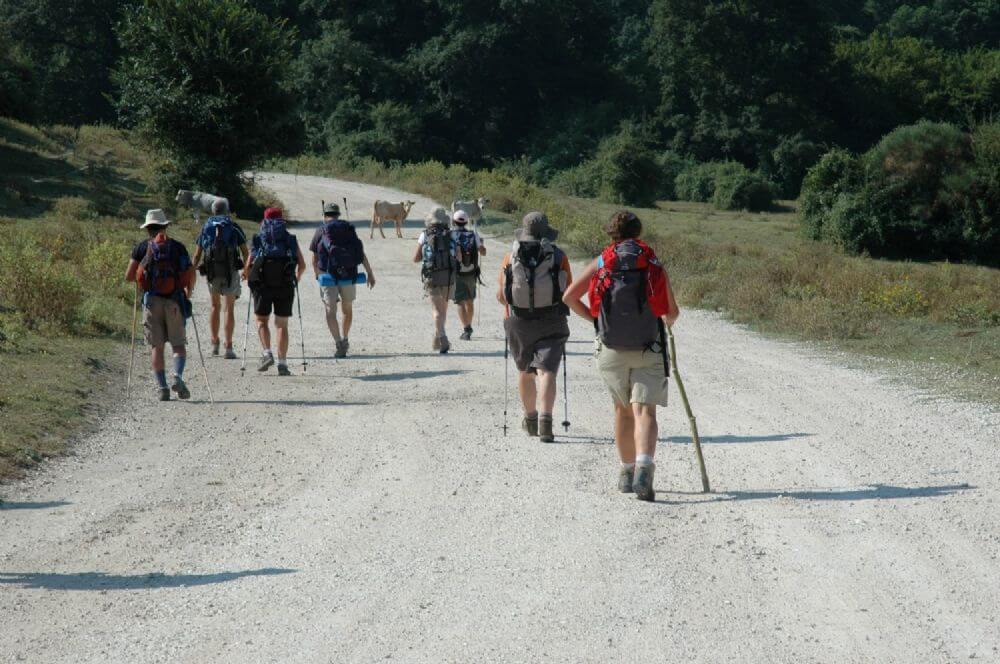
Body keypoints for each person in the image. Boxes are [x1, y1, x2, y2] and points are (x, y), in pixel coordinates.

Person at [563, 210, 680, 502]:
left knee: (622, 410)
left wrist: (596, 321)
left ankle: (627, 473)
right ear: (638, 231)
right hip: (649, 347)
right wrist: (663, 320)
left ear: (612, 232)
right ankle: (644, 468)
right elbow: (672, 313)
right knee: (645, 411)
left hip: (611, 348)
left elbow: (569, 297)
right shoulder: (651, 262)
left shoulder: (603, 261)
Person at [496, 211, 572, 443]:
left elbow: (502, 296)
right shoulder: (559, 256)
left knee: (525, 371)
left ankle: (530, 420)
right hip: (552, 319)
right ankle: (546, 423)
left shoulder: (510, 256)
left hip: (519, 321)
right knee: (546, 371)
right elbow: (568, 291)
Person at [124, 209, 197, 401]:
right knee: (178, 344)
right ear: (165, 226)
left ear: (147, 228)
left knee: (157, 346)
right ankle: (177, 376)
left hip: (151, 302)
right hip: (174, 301)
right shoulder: (178, 247)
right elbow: (190, 272)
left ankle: (162, 387)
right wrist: (189, 292)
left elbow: (129, 276)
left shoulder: (141, 248)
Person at [243, 207, 306, 376]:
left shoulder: (257, 239)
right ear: (281, 220)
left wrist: (249, 278)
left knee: (261, 321)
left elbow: (248, 266)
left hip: (262, 287)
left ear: (264, 221)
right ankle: (283, 364)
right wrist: (295, 279)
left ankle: (267, 353)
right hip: (285, 285)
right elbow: (302, 265)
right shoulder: (289, 238)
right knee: (281, 325)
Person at [309, 202, 376, 358]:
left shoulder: (320, 231)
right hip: (349, 274)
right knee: (347, 308)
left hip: (328, 275)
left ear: (325, 215)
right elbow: (360, 253)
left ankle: (338, 342)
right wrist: (369, 273)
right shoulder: (348, 229)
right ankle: (345, 338)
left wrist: (318, 275)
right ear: (338, 215)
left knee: (330, 311)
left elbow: (314, 258)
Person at [192, 198, 248, 359]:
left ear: (213, 211)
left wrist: (191, 272)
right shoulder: (233, 227)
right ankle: (228, 347)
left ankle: (215, 343)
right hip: (231, 272)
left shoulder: (206, 227)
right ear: (227, 211)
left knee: (214, 306)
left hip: (212, 272)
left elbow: (197, 255)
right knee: (228, 308)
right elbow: (245, 252)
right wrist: (246, 270)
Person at [413, 206, 458, 353]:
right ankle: (437, 339)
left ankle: (442, 338)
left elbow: (415, 258)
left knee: (436, 311)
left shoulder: (425, 235)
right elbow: (459, 257)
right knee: (443, 310)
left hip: (431, 276)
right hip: (448, 277)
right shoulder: (452, 235)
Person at [451, 210, 486, 340]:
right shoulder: (473, 235)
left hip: (456, 273)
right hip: (471, 273)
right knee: (469, 301)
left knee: (460, 302)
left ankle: (466, 329)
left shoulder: (450, 235)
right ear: (466, 222)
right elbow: (483, 252)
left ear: (453, 221)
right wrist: (481, 244)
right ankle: (469, 326)